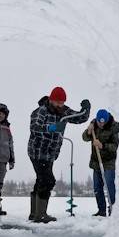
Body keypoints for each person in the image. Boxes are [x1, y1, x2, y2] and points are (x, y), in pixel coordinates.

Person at [28, 86, 90, 223]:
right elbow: (35, 128)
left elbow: (79, 118)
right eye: (58, 102)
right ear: (51, 99)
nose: (60, 105)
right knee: (48, 180)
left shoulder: (63, 111)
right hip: (37, 151)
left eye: (62, 102)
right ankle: (40, 215)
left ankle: (34, 213)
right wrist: (51, 128)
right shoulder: (41, 111)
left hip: (51, 153)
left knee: (41, 180)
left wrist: (86, 110)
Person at [82, 108, 119, 217]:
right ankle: (101, 210)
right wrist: (89, 131)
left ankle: (113, 210)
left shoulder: (114, 128)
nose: (101, 125)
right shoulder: (93, 124)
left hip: (109, 162)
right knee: (97, 187)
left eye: (103, 123)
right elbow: (84, 138)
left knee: (109, 186)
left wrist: (102, 146)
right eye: (100, 122)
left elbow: (116, 146)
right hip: (96, 162)